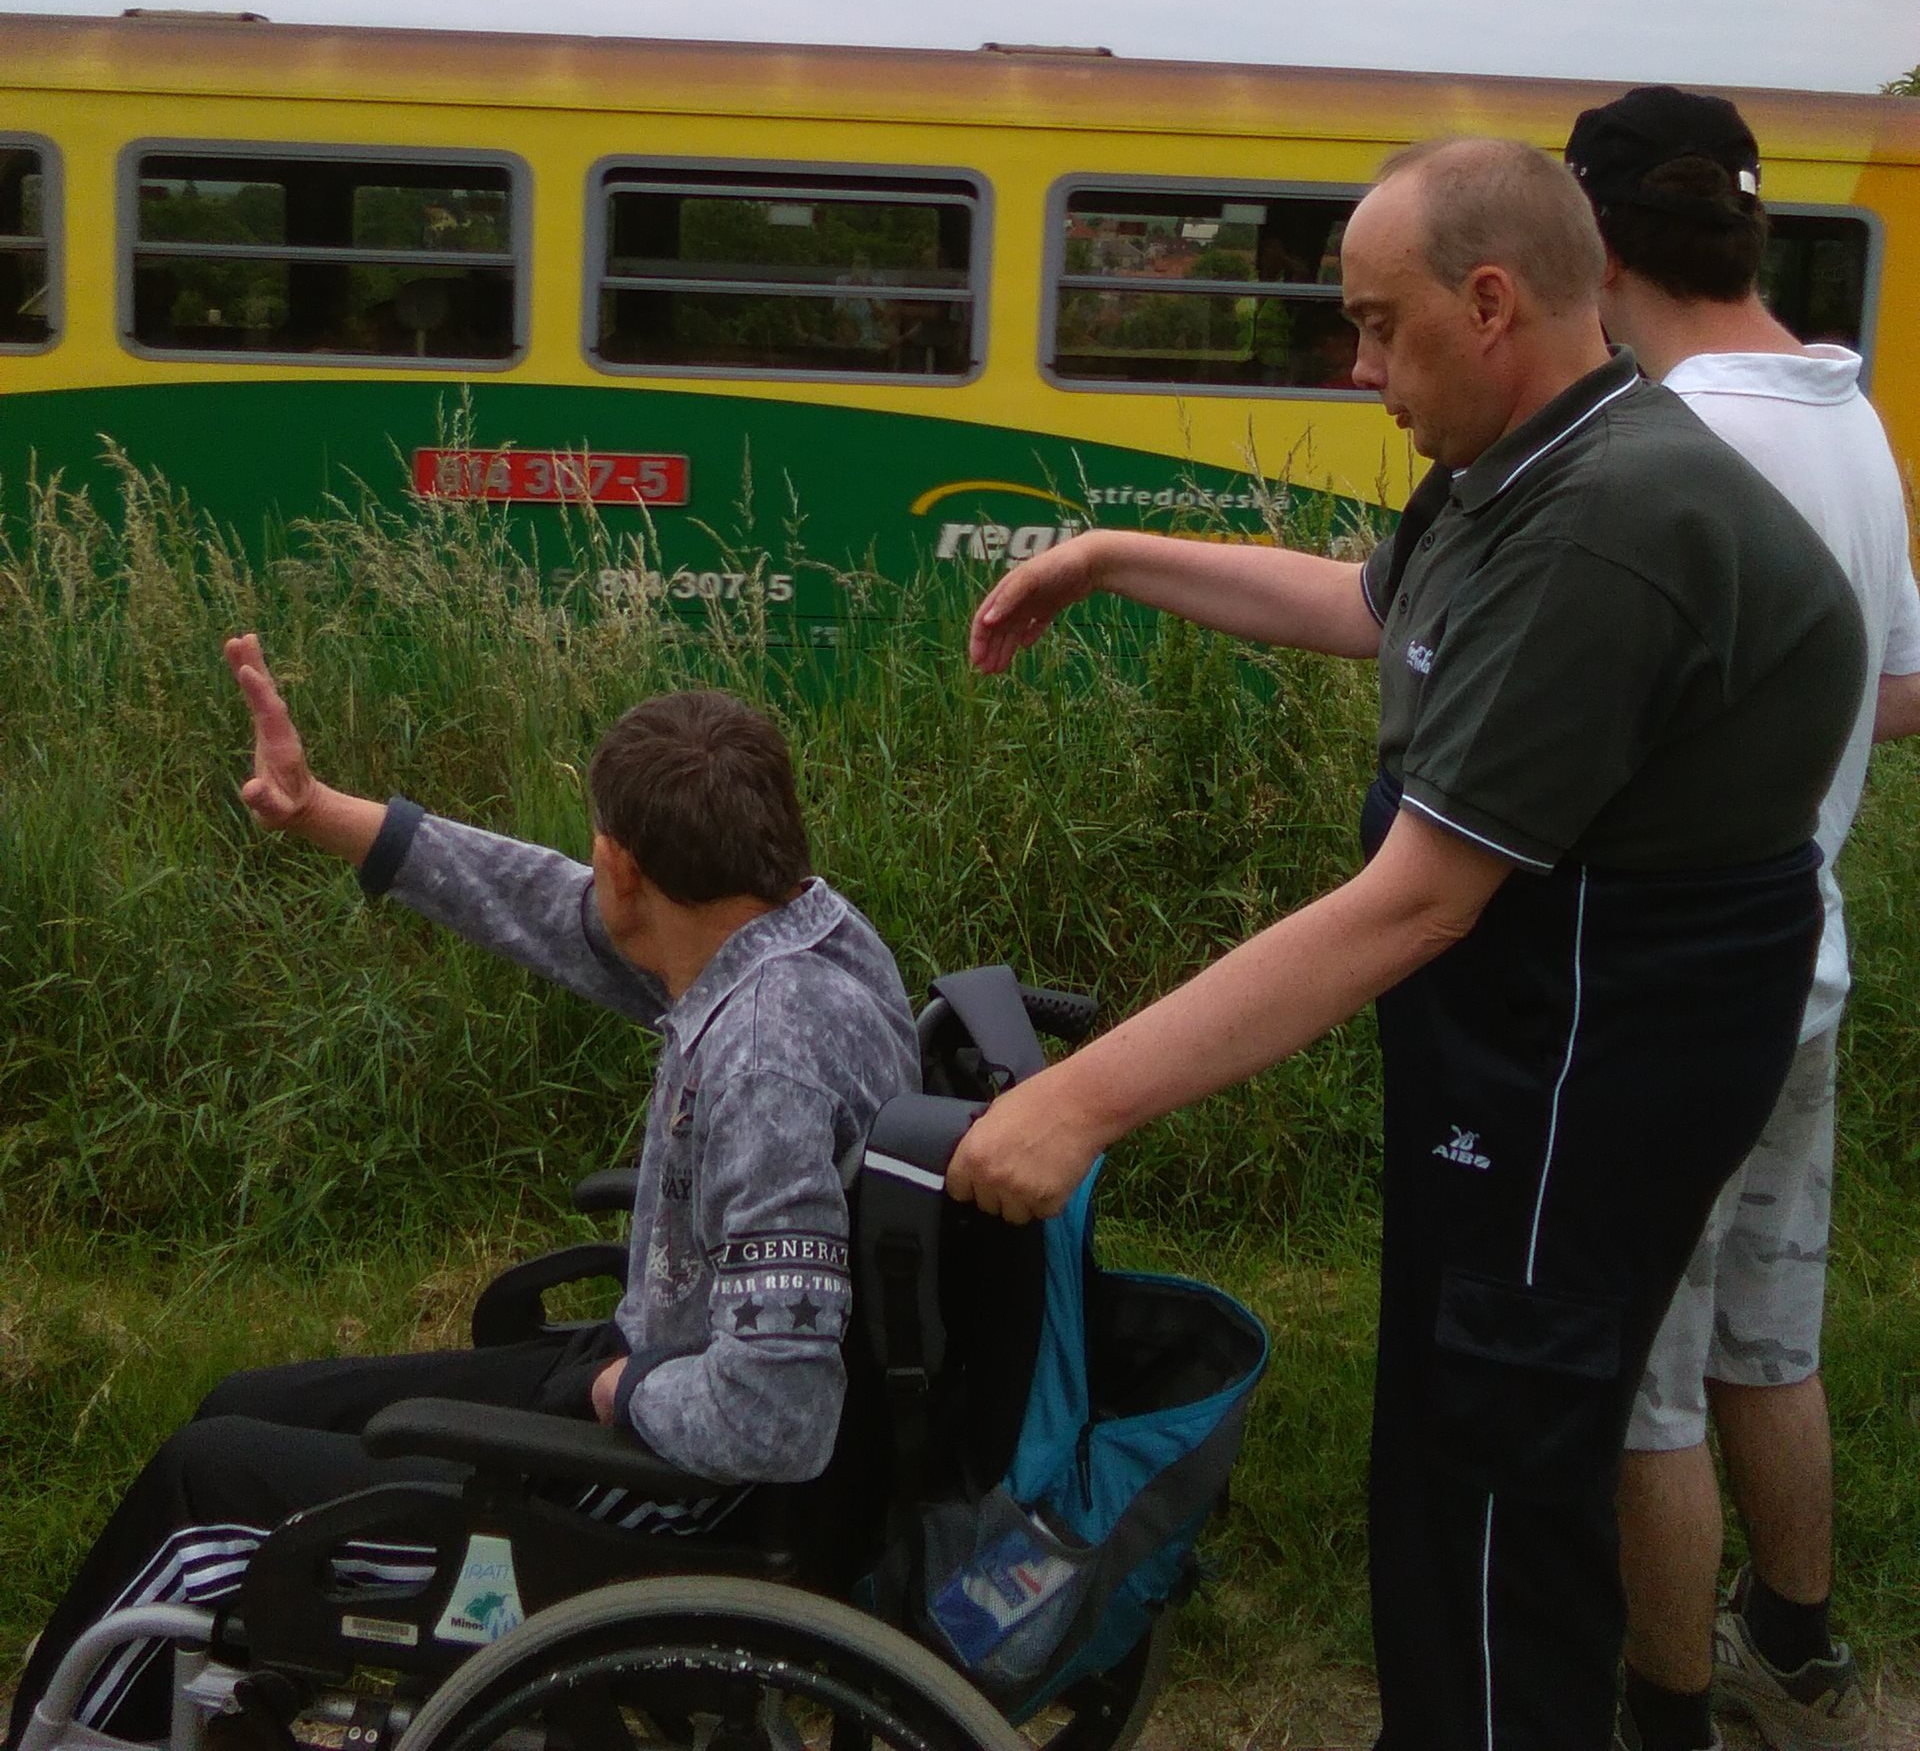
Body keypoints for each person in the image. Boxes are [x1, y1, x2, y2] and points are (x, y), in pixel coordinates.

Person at [947, 137, 1866, 1751]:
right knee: (1452, 1439)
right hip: (1514, 1054)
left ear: (1490, 302)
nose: (1359, 368)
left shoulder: (1607, 526)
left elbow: (1416, 902)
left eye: (1379, 325)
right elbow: (1366, 607)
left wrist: (1080, 1102)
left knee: (1504, 1477)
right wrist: (1108, 559)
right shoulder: (1523, 464)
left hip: (1582, 1065)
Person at [7, 645, 918, 1749]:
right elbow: (542, 907)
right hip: (659, 1386)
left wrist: (622, 1390)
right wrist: (321, 811)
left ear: (625, 866)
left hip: (672, 1483)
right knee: (237, 1404)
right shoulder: (796, 936)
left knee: (203, 1485)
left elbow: (775, 1415)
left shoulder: (769, 1057)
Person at [1565, 86, 1920, 1751]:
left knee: (1647, 1382)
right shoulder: (1845, 412)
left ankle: (1666, 1713)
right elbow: (1898, 689)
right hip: (1806, 955)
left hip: (1678, 984)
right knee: (1770, 1338)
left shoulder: (1672, 444)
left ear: (1596, 239)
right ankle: (1795, 1647)